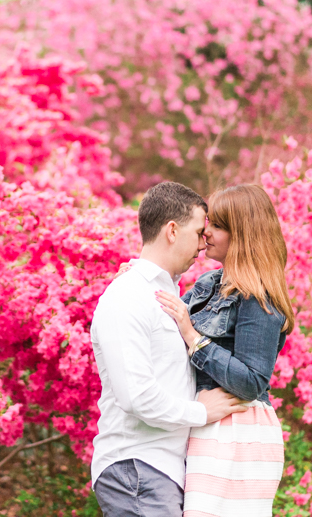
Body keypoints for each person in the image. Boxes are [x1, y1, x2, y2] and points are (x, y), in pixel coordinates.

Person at [91, 181, 249, 517]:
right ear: (172, 231)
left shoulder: (167, 297)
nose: (203, 244)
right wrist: (201, 412)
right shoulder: (128, 297)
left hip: (158, 472)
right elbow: (136, 395)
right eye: (197, 232)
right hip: (137, 467)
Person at [150, 184, 295, 516]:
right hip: (209, 421)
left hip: (238, 429)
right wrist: (144, 279)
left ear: (242, 234)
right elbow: (167, 321)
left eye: (217, 226)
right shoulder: (209, 285)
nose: (206, 232)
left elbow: (252, 381)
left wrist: (193, 337)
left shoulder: (258, 298)